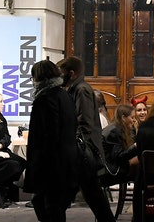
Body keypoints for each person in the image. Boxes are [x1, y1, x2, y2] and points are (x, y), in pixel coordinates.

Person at [57, 56, 115, 222]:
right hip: (83, 152)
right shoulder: (77, 89)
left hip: (83, 153)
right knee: (91, 194)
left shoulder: (81, 90)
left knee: (90, 194)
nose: (60, 77)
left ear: (72, 73)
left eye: (62, 73)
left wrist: (78, 148)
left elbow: (84, 122)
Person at [24, 60, 79, 221]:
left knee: (49, 206)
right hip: (67, 160)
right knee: (52, 205)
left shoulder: (45, 99)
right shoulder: (64, 96)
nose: (32, 82)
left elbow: (47, 135)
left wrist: (37, 164)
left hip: (51, 164)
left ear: (39, 77)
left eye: (32, 77)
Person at [101, 105, 139, 186]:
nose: (134, 120)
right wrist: (135, 147)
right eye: (132, 117)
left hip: (111, 166)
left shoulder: (116, 128)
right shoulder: (114, 131)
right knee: (141, 168)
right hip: (110, 171)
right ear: (123, 117)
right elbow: (119, 157)